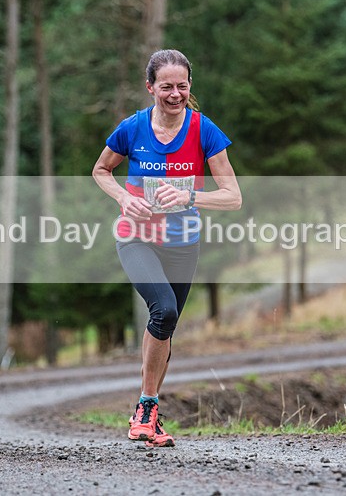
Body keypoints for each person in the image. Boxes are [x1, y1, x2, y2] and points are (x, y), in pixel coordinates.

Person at [92, 49, 242, 447]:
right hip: (136, 236)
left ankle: (149, 412)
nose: (174, 94)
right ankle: (144, 409)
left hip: (182, 244)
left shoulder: (203, 130)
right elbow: (101, 170)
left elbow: (233, 196)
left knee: (166, 325)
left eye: (182, 86)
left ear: (189, 87)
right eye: (166, 87)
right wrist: (124, 198)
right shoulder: (132, 128)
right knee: (165, 308)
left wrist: (191, 195)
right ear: (150, 88)